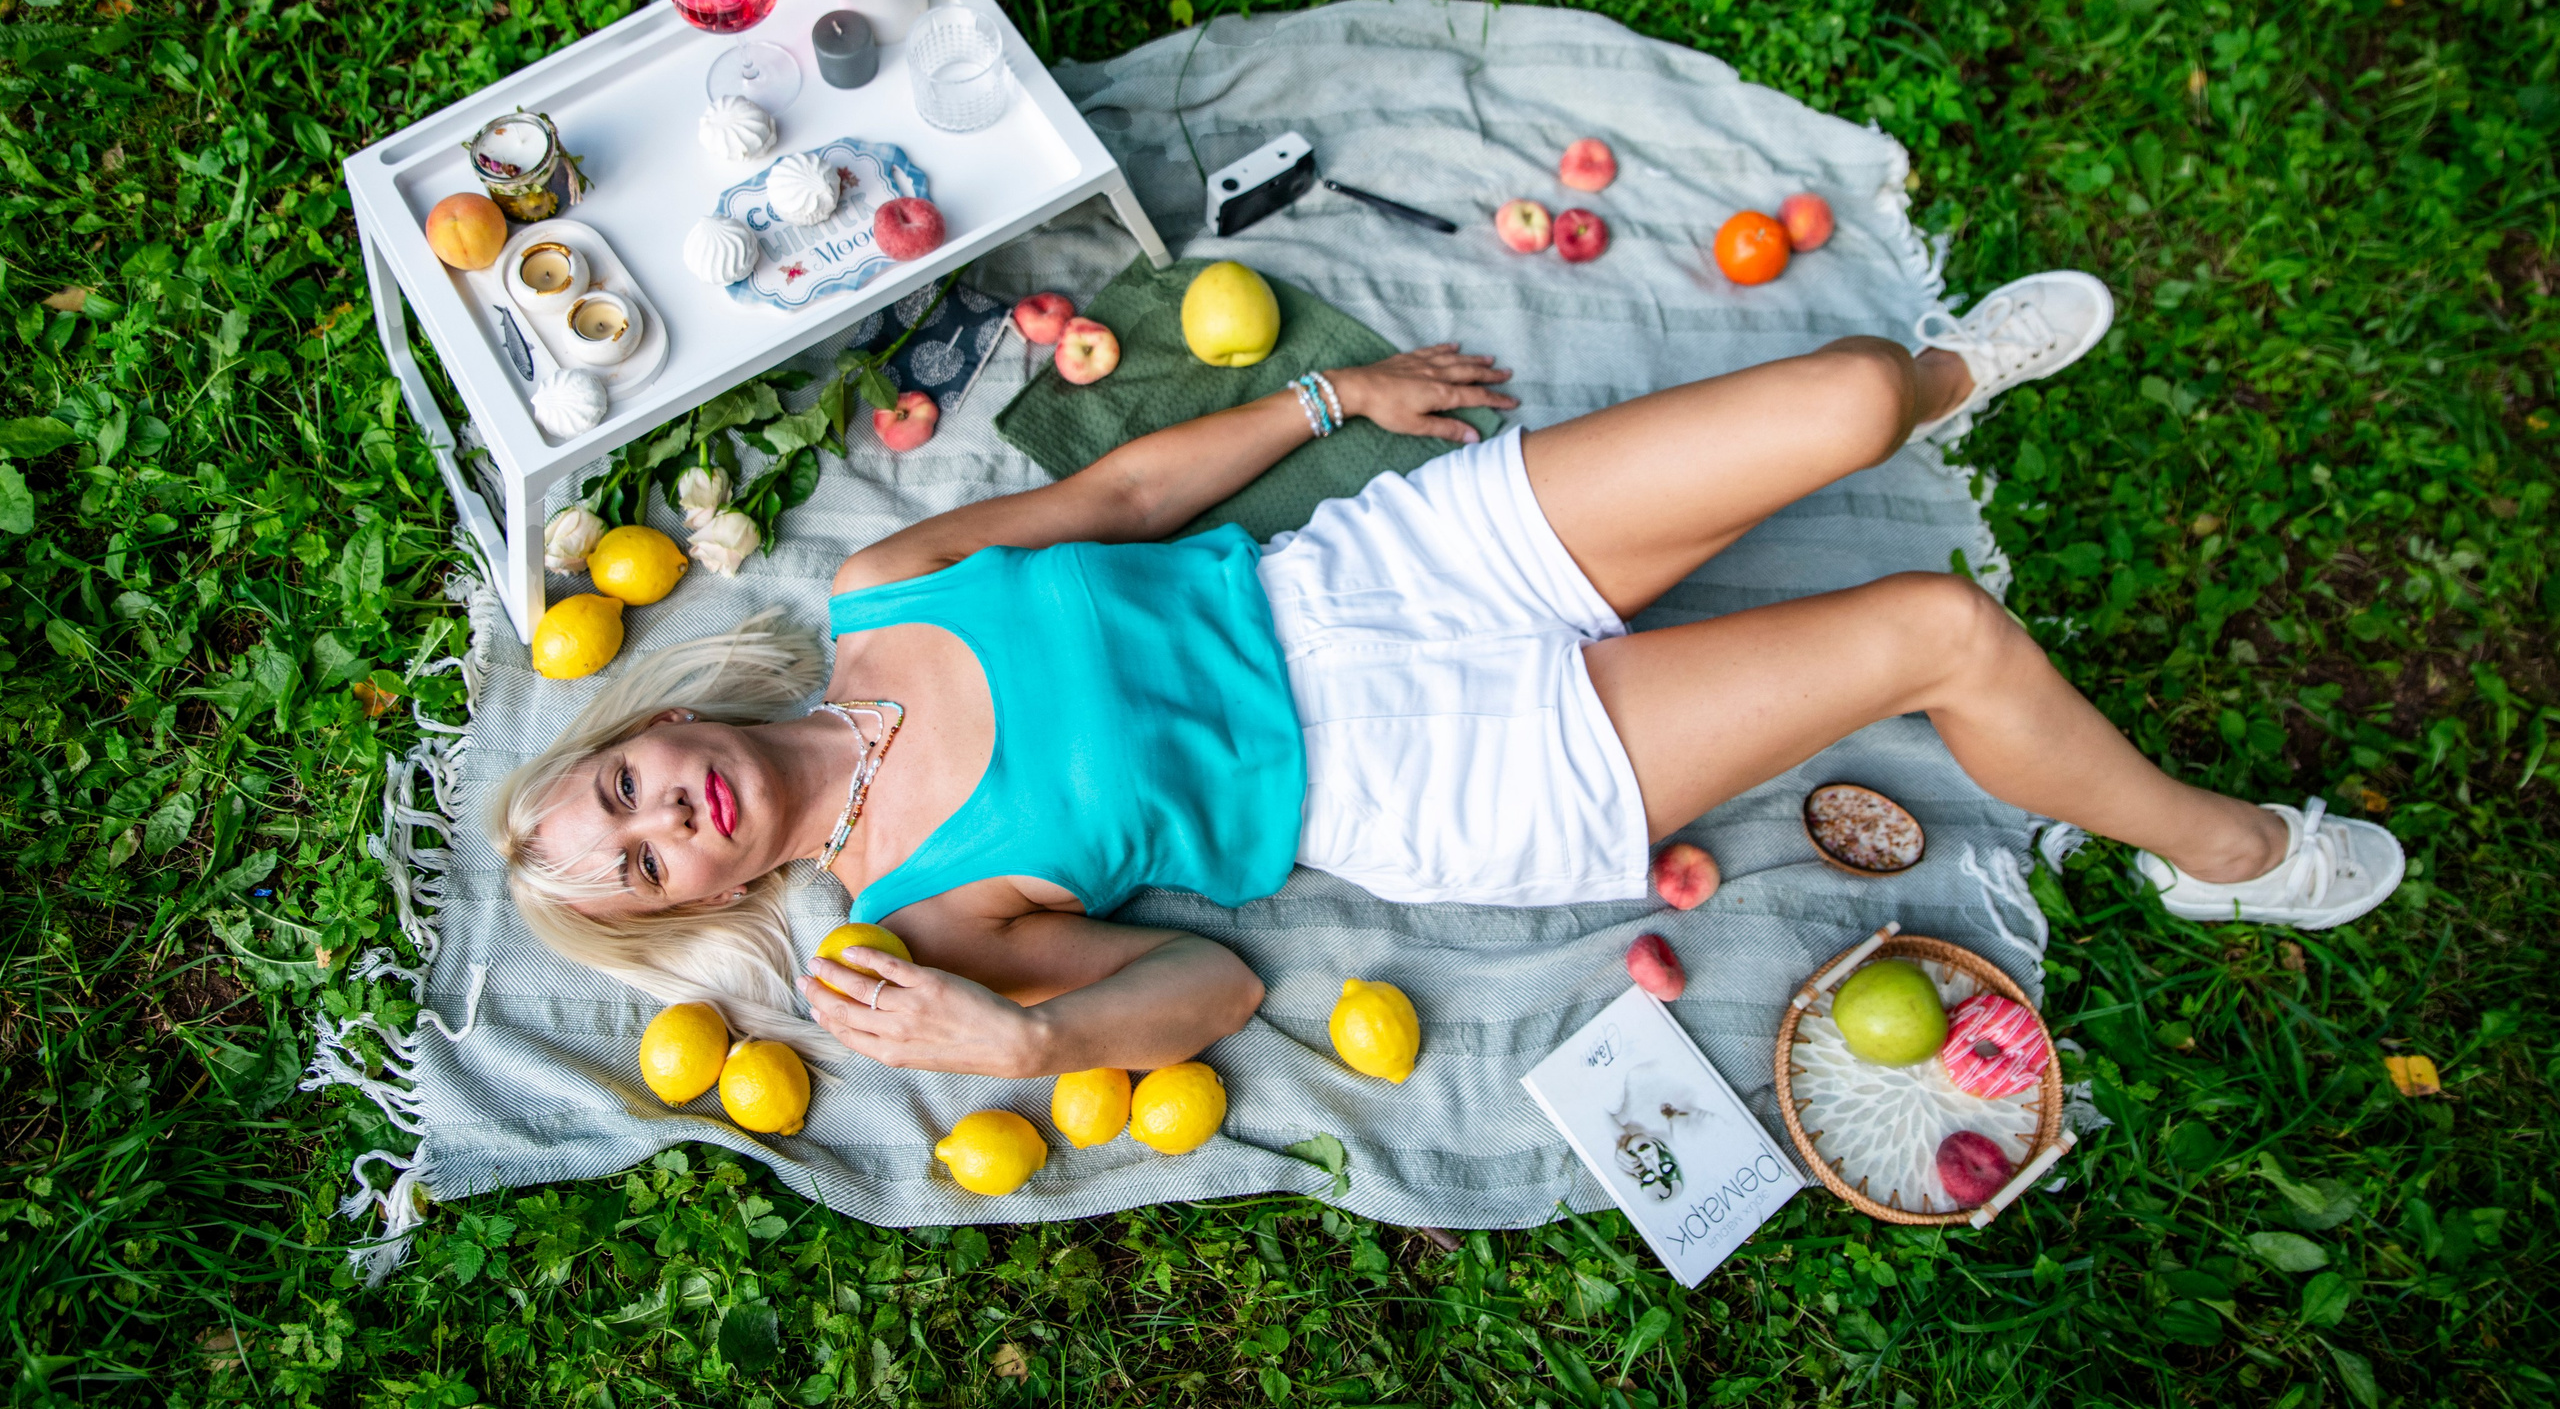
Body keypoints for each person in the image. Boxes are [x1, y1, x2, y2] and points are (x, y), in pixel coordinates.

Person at [496, 271, 2404, 1075]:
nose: (668, 823)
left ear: (646, 722)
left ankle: (1953, 371)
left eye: (624, 793)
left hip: (1368, 575)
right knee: (1939, 630)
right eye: (652, 869)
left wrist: (1336, 397)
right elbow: (1215, 981)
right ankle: (2219, 852)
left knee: (1844, 393)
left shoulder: (880, 586)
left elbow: (1129, 485)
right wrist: (1027, 1044)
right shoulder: (906, 930)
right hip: (1426, 773)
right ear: (717, 899)